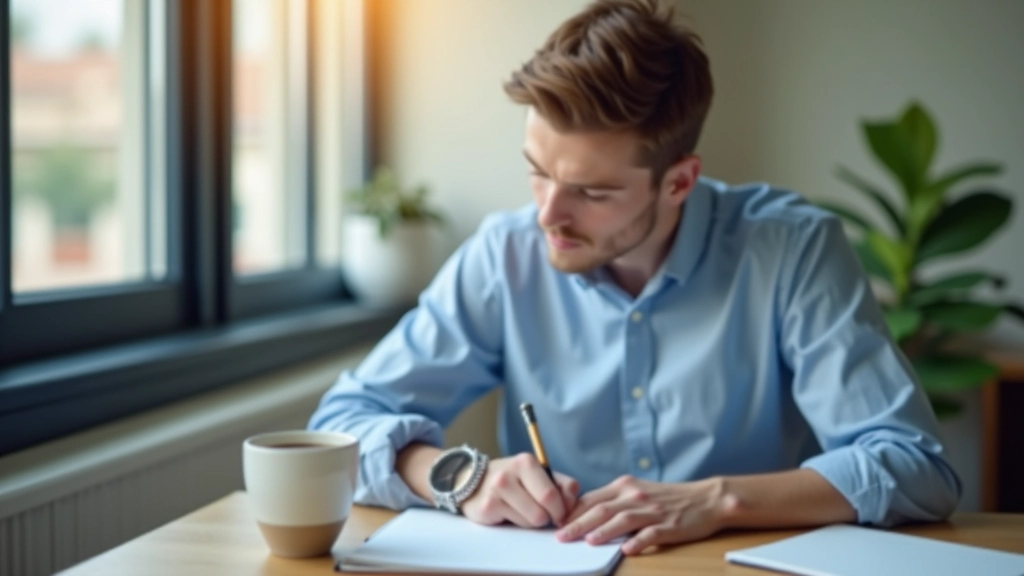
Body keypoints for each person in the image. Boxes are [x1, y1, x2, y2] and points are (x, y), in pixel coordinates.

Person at [310, 0, 960, 556]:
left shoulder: (792, 250)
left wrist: (717, 500)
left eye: (591, 192)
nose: (548, 215)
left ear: (679, 181)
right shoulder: (504, 255)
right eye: (537, 171)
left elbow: (915, 466)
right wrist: (457, 475)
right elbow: (341, 424)